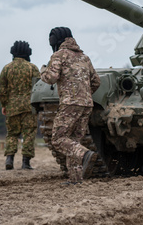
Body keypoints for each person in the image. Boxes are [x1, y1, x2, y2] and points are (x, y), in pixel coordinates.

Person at [41, 27, 101, 184]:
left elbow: (52, 77)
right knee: (73, 140)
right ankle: (76, 179)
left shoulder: (59, 55)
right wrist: (85, 94)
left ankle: (84, 154)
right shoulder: (84, 58)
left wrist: (42, 71)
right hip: (86, 104)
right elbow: (96, 81)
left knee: (59, 139)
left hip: (70, 103)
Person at [0, 41, 40, 170]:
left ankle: (9, 159)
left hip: (12, 107)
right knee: (29, 133)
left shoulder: (6, 68)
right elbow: (38, 87)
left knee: (12, 134)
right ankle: (25, 162)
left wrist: (4, 104)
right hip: (29, 106)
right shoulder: (32, 68)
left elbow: (1, 89)